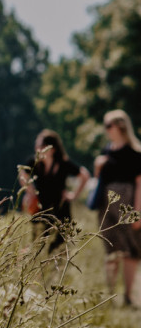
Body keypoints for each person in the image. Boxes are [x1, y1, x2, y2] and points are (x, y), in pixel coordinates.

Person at [95, 109, 141, 305]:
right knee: (110, 248)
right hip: (106, 205)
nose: (106, 129)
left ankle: (128, 296)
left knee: (130, 249)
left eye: (109, 125)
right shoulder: (106, 152)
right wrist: (98, 166)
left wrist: (138, 212)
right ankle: (111, 295)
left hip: (128, 203)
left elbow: (140, 183)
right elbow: (100, 180)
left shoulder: (135, 153)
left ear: (120, 126)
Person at [20, 129, 88, 252]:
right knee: (38, 245)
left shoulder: (63, 163)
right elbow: (22, 174)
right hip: (40, 210)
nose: (37, 148)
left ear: (52, 149)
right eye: (37, 145)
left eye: (41, 145)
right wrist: (30, 192)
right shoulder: (34, 162)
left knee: (59, 248)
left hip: (60, 210)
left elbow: (84, 175)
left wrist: (74, 195)